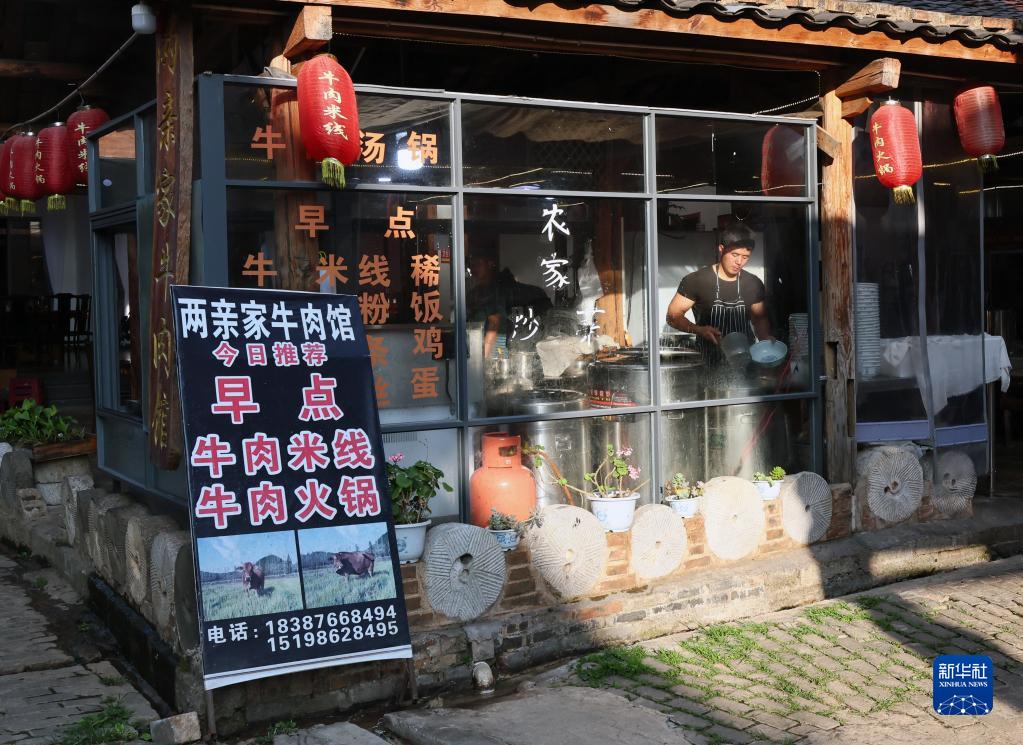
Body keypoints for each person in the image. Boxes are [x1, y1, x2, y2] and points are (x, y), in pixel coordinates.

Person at [665, 224, 771, 366]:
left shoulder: (753, 283)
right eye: (734, 255)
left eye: (745, 257)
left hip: (745, 363)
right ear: (721, 249)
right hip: (708, 363)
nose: (739, 262)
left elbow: (759, 319)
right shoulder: (696, 281)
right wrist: (700, 330)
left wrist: (766, 344)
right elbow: (673, 316)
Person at [467, 250, 553, 358]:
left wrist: (485, 359)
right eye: (472, 265)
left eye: (478, 264)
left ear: (490, 264)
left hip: (503, 348)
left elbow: (494, 324)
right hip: (481, 346)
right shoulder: (474, 293)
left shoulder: (499, 290)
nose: (474, 269)